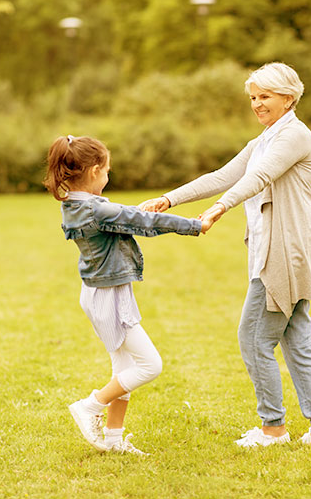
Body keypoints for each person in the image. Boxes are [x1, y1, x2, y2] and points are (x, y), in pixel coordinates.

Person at [140, 62, 311, 447]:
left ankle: (273, 429)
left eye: (265, 96)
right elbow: (222, 176)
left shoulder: (294, 136)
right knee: (297, 339)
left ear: (288, 98)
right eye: (253, 97)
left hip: (284, 255)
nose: (257, 104)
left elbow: (257, 178)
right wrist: (169, 199)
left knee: (253, 338)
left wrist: (220, 207)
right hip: (282, 251)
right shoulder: (265, 139)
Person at [45, 134, 205, 455]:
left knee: (124, 369)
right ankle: (90, 406)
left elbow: (122, 215)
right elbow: (141, 221)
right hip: (108, 298)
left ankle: (114, 439)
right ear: (94, 171)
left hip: (101, 292)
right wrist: (193, 225)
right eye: (107, 171)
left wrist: (138, 209)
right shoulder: (95, 210)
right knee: (150, 365)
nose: (108, 176)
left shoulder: (76, 204)